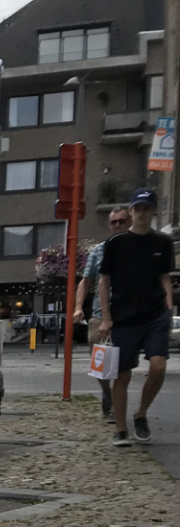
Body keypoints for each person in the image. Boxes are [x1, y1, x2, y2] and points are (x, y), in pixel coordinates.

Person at [97, 189, 174, 446]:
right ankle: (120, 429)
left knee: (158, 366)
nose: (142, 213)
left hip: (155, 315)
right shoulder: (116, 243)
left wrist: (169, 304)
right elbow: (104, 282)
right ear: (131, 212)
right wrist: (106, 317)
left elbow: (165, 276)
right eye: (137, 208)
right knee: (122, 374)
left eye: (146, 208)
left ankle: (141, 413)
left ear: (153, 212)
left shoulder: (163, 243)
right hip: (124, 318)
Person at [73, 206, 129, 419]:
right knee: (100, 364)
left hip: (127, 316)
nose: (117, 225)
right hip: (98, 315)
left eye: (122, 221)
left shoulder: (135, 249)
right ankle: (107, 392)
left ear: (129, 221)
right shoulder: (99, 251)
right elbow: (85, 282)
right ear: (109, 225)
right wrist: (78, 307)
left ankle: (116, 405)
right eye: (114, 222)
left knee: (123, 364)